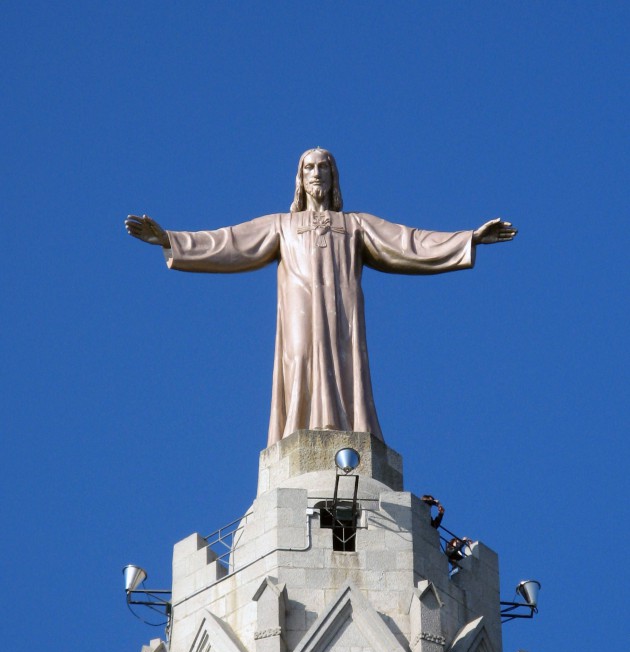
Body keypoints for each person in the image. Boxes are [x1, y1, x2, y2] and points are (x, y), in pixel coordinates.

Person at [126, 148, 516, 447]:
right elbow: (229, 241)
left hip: (342, 310)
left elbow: (408, 242)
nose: (316, 174)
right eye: (309, 168)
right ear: (300, 178)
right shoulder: (282, 225)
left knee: (346, 364)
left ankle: (351, 430)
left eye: (323, 167)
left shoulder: (355, 224)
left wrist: (469, 239)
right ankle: (296, 433)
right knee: (299, 359)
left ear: (333, 176)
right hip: (299, 307)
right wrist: (171, 240)